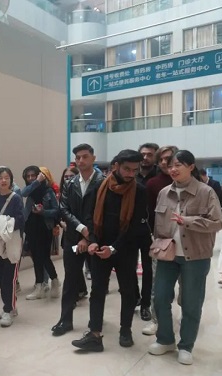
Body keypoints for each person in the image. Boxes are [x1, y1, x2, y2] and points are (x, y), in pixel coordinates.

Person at [148, 150, 222, 365]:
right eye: (170, 165)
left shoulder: (206, 192)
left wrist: (188, 221)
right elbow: (158, 226)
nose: (173, 169)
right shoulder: (164, 193)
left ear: (191, 167)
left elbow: (217, 223)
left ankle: (186, 346)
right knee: (160, 298)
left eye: (178, 165)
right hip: (167, 255)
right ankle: (165, 340)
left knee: (191, 303)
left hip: (196, 256)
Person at [71, 149, 146, 352]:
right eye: (127, 169)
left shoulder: (139, 190)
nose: (131, 174)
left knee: (128, 291)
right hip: (99, 248)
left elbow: (135, 227)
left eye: (135, 170)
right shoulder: (100, 186)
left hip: (125, 249)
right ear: (116, 166)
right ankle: (94, 335)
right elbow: (89, 216)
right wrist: (93, 241)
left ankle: (125, 330)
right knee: (97, 291)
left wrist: (114, 248)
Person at [51, 144, 103, 337]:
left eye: (85, 156)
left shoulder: (103, 182)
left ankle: (95, 323)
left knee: (98, 283)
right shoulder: (70, 183)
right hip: (73, 238)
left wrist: (88, 238)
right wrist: (82, 230)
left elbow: (102, 212)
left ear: (93, 158)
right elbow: (64, 209)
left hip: (96, 240)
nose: (81, 161)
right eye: (78, 158)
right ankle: (65, 320)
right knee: (70, 280)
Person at [142, 145, 178, 336]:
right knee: (159, 285)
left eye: (169, 159)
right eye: (161, 159)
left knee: (187, 289)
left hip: (187, 243)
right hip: (162, 241)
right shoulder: (153, 184)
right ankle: (157, 321)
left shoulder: (191, 183)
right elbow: (148, 213)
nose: (164, 163)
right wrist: (152, 238)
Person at [21, 166, 61, 300]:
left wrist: (43, 212)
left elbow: (56, 210)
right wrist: (36, 182)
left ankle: (54, 281)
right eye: (28, 176)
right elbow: (23, 193)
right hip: (31, 228)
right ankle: (39, 286)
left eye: (34, 175)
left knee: (44, 257)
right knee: (36, 258)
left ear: (40, 175)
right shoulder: (30, 191)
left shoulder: (48, 191)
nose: (31, 178)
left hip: (45, 228)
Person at [0, 166, 24, 327]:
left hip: (12, 242)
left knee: (9, 278)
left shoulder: (16, 198)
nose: (3, 180)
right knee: (2, 277)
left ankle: (8, 309)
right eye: (0, 178)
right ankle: (10, 306)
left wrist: (3, 223)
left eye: (6, 177)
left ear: (11, 180)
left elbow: (20, 220)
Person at [135, 143, 159, 322]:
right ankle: (135, 297)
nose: (145, 157)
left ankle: (145, 304)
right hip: (130, 229)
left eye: (150, 154)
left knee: (149, 269)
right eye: (143, 154)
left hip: (151, 230)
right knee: (128, 267)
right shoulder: (131, 174)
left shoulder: (159, 177)